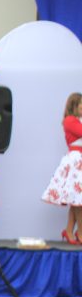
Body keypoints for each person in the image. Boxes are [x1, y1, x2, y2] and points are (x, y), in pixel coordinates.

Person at [41, 92, 82, 243]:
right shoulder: (70, 120)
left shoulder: (78, 120)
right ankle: (79, 232)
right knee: (78, 200)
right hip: (76, 161)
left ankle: (69, 230)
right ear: (74, 105)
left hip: (79, 160)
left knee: (77, 199)